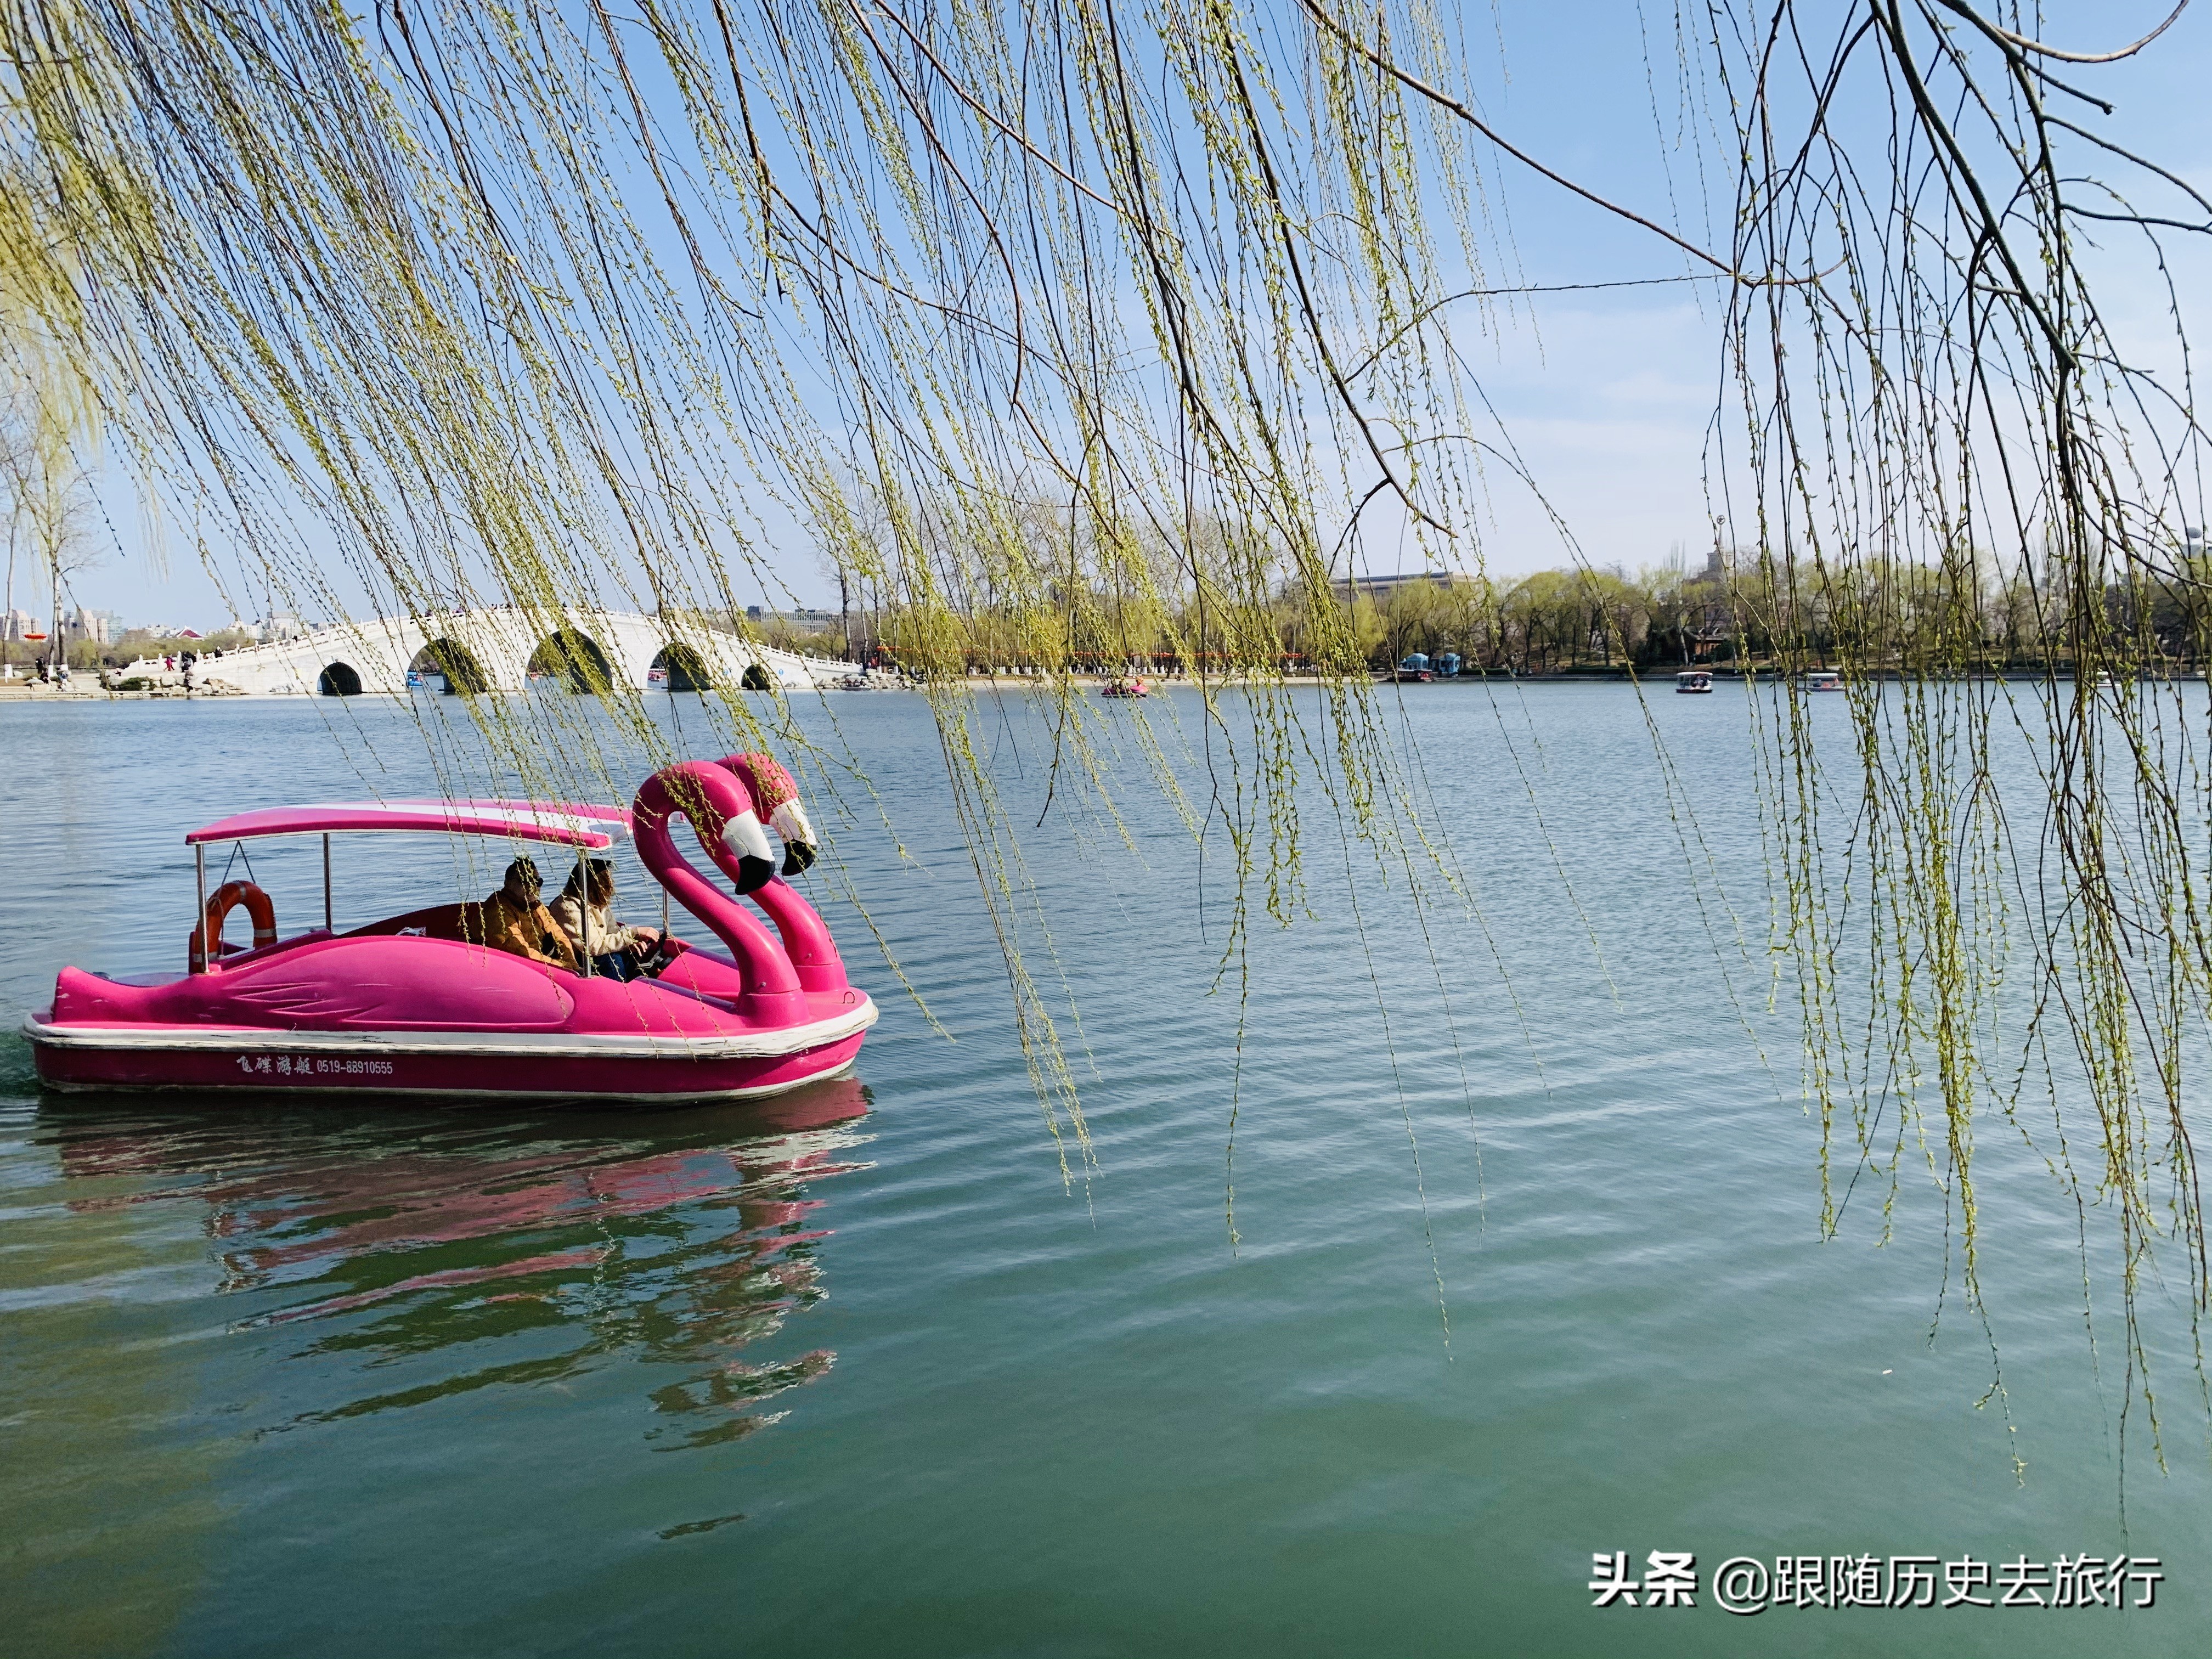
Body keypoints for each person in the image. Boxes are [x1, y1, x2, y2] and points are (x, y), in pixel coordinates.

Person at [550, 857, 663, 981]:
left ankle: (650, 978)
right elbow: (592, 946)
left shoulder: (595, 903)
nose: (611, 883)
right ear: (595, 882)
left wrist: (631, 942)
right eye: (607, 878)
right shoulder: (568, 908)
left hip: (598, 953)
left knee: (638, 950)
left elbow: (612, 932)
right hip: (581, 962)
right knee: (613, 960)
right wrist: (633, 933)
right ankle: (620, 993)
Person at [479, 856, 581, 970]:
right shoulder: (498, 911)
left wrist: (573, 965)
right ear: (508, 883)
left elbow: (559, 936)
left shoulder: (536, 906)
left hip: (546, 966)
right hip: (520, 971)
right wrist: (563, 967)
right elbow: (521, 951)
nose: (532, 886)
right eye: (525, 881)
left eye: (537, 881)